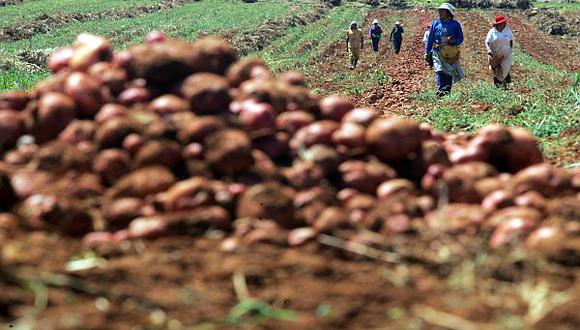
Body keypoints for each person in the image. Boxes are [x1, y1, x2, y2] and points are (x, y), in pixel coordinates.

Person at [425, 3, 464, 97]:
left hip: (450, 52)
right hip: (438, 51)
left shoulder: (455, 24)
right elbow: (430, 39)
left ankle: (447, 91)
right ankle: (439, 91)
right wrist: (427, 52)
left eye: (442, 11)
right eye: (439, 11)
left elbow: (461, 38)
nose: (440, 13)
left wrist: (453, 41)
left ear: (448, 12)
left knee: (449, 71)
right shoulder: (436, 23)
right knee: (439, 70)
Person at [485, 15, 513, 88]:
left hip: (505, 53)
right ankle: (498, 85)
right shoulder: (492, 32)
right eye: (504, 23)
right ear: (499, 24)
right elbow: (487, 42)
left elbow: (511, 40)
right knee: (495, 69)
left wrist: (510, 50)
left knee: (505, 67)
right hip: (494, 53)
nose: (505, 24)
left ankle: (506, 84)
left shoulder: (507, 31)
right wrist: (488, 50)